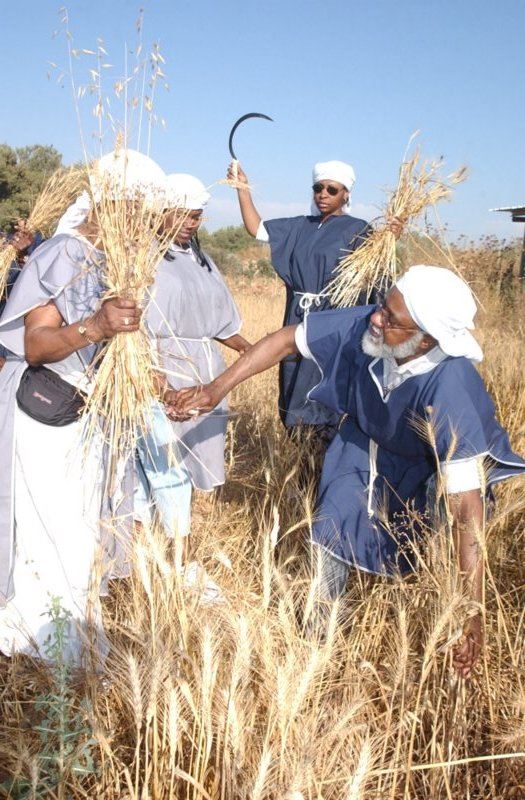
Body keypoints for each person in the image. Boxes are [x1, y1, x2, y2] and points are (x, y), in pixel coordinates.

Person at [167, 265, 525, 676]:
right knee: (330, 531)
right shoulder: (370, 324)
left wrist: (471, 609)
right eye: (382, 307)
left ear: (425, 339)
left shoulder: (451, 389)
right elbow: (286, 340)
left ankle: (395, 638)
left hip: (426, 471)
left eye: (391, 319)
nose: (376, 318)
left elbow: (466, 509)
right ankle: (316, 646)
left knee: (424, 550)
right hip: (363, 442)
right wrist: (216, 389)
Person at [0, 149, 166, 662]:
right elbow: (36, 346)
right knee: (47, 528)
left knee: (77, 528)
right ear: (116, 204)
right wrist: (95, 325)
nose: (148, 222)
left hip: (88, 419)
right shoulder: (62, 254)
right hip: (45, 413)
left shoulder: (115, 262)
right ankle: (36, 646)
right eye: (143, 210)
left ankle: (67, 639)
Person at [228, 158, 401, 443]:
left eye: (332, 189)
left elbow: (377, 275)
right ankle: (299, 456)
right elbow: (257, 229)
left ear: (346, 193)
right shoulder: (299, 226)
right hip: (298, 315)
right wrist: (242, 188)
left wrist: (388, 241)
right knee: (294, 380)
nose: (323, 194)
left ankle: (324, 458)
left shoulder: (359, 229)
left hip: (332, 318)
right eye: (318, 188)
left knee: (325, 386)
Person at [136, 173, 250, 561]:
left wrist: (254, 353)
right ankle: (157, 550)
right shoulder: (143, 257)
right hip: (165, 369)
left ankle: (184, 548)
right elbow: (140, 332)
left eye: (197, 216)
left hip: (207, 373)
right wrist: (160, 385)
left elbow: (222, 323)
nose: (191, 223)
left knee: (200, 460)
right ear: (161, 212)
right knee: (164, 463)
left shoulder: (202, 260)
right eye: (183, 215)